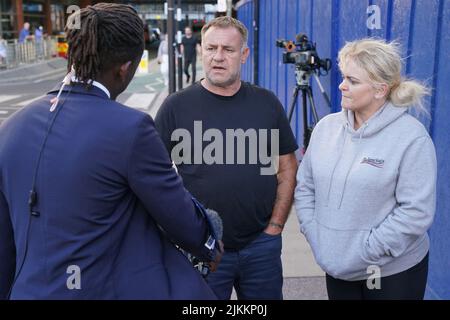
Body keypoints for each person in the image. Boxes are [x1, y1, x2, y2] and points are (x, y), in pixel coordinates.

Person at [0, 3, 222, 300]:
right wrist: (209, 241)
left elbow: (5, 239)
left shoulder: (11, 127)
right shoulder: (131, 128)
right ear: (125, 68)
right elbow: (178, 214)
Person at [155, 16, 299, 300]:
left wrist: (276, 226)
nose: (217, 57)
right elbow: (153, 176)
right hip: (201, 246)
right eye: (211, 48)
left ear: (243, 55)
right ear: (201, 52)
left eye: (228, 50)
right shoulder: (176, 106)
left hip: (261, 246)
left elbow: (286, 168)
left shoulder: (266, 103)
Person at [294, 38, 436, 300]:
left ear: (381, 89)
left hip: (388, 271)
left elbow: (415, 212)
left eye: (353, 80)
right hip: (336, 266)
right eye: (343, 76)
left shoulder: (411, 138)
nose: (341, 86)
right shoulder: (326, 128)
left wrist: (364, 252)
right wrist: (317, 237)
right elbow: (305, 187)